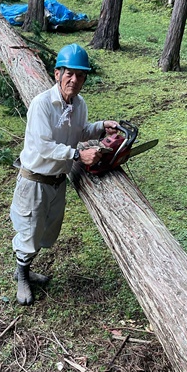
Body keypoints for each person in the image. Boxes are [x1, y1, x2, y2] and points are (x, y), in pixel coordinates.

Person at [10, 43, 118, 306]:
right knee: (30, 231)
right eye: (69, 73)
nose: (74, 80)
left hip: (57, 181)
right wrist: (77, 156)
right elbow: (41, 145)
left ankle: (24, 268)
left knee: (46, 231)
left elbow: (78, 132)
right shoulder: (42, 104)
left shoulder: (79, 104)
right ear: (57, 73)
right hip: (35, 180)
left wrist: (101, 127)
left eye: (80, 75)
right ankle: (22, 276)